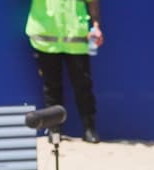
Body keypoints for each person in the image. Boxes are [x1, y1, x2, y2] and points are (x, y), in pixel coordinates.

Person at [25, 0, 103, 143]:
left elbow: (92, 2)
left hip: (76, 39)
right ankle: (54, 129)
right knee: (51, 86)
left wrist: (96, 26)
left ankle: (89, 128)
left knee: (83, 85)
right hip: (45, 39)